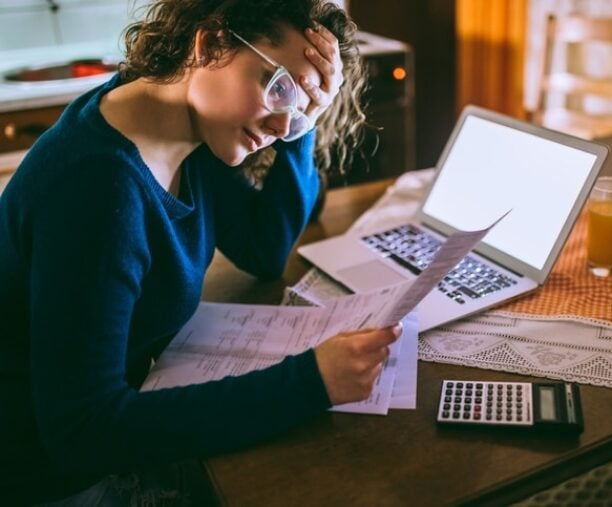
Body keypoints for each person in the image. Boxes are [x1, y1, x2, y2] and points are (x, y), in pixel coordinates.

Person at [0, 0, 401, 504]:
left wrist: (302, 123)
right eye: (278, 88)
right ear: (210, 43)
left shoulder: (179, 126)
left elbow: (262, 249)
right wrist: (311, 382)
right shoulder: (99, 189)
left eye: (300, 109)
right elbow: (82, 432)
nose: (283, 125)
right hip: (51, 480)